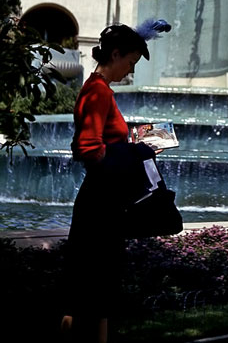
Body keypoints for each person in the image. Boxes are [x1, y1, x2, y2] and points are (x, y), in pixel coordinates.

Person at [60, 20, 170, 343]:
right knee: (87, 291)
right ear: (116, 54)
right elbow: (87, 148)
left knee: (97, 291)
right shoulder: (97, 92)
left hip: (103, 202)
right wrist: (135, 153)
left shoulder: (101, 91)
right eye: (131, 63)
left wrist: (137, 143)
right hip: (99, 205)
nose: (130, 71)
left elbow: (103, 144)